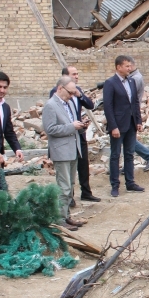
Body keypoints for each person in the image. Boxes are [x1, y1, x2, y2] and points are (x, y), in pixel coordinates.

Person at [49, 66, 100, 203]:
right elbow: (55, 120)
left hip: (79, 134)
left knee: (83, 164)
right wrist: (71, 125)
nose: (77, 76)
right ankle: (68, 198)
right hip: (66, 138)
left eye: (77, 74)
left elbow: (90, 105)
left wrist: (80, 95)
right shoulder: (56, 94)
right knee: (67, 172)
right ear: (65, 77)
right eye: (73, 74)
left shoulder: (77, 92)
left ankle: (86, 192)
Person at [43, 76, 87, 231]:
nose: (72, 95)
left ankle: (66, 216)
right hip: (61, 151)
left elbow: (70, 125)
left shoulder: (67, 104)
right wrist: (72, 127)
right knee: (64, 187)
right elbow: (50, 129)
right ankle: (59, 219)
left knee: (70, 186)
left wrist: (80, 126)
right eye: (70, 92)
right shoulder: (50, 105)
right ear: (60, 88)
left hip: (73, 149)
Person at [103, 55, 145, 197]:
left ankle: (130, 183)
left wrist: (138, 121)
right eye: (127, 66)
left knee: (129, 154)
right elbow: (108, 107)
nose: (130, 68)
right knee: (115, 155)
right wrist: (113, 126)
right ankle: (115, 185)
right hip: (118, 126)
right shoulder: (110, 83)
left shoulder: (132, 82)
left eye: (130, 66)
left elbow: (135, 103)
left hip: (131, 124)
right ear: (118, 67)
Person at [127, 57, 149, 172]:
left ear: (131, 66)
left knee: (128, 139)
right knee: (126, 139)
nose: (127, 68)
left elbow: (129, 97)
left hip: (129, 112)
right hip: (129, 112)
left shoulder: (135, 79)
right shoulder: (133, 77)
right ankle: (128, 164)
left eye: (127, 66)